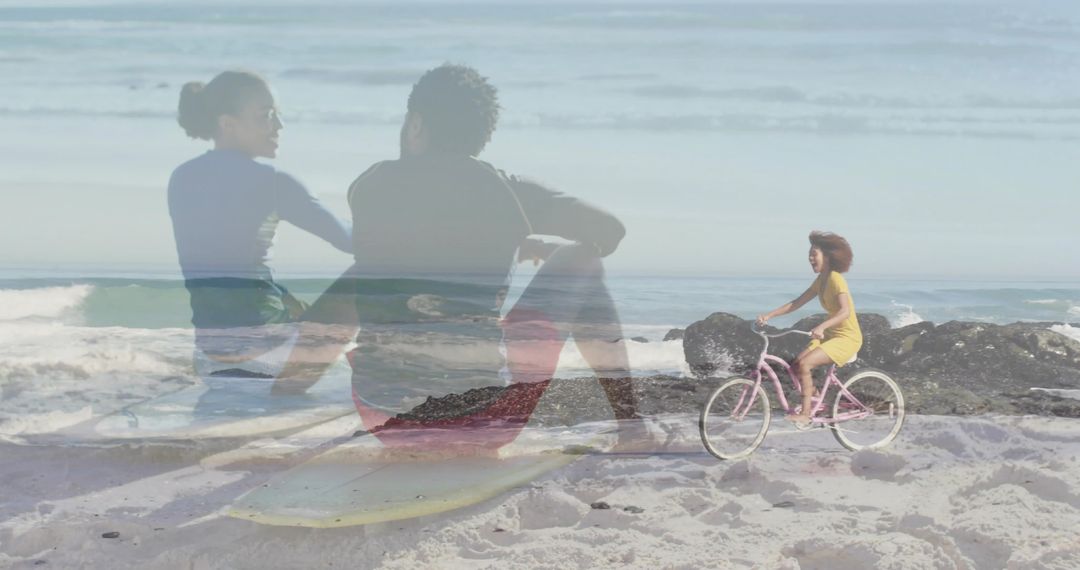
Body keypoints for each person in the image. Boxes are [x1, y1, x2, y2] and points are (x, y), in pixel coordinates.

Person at [275, 64, 644, 450]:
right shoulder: (509, 192)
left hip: (381, 418)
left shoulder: (369, 187)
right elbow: (608, 232)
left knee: (370, 269)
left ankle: (288, 387)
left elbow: (428, 231)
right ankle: (633, 428)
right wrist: (516, 233)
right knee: (581, 259)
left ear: (415, 124)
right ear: (481, 136)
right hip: (481, 424)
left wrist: (504, 243)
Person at [168, 70, 351, 385]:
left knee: (275, 294)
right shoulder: (274, 182)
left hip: (210, 357)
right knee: (366, 274)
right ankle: (397, 373)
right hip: (267, 357)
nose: (279, 127)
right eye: (266, 116)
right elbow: (352, 241)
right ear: (227, 123)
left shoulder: (182, 177)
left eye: (278, 116)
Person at [756, 231, 862, 428]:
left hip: (847, 338)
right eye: (809, 255)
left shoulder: (836, 279)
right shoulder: (821, 280)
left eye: (814, 254)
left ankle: (806, 414)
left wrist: (822, 326)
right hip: (830, 336)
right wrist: (769, 315)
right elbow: (796, 303)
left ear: (828, 257)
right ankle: (815, 401)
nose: (810, 258)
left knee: (805, 365)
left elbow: (845, 311)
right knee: (797, 364)